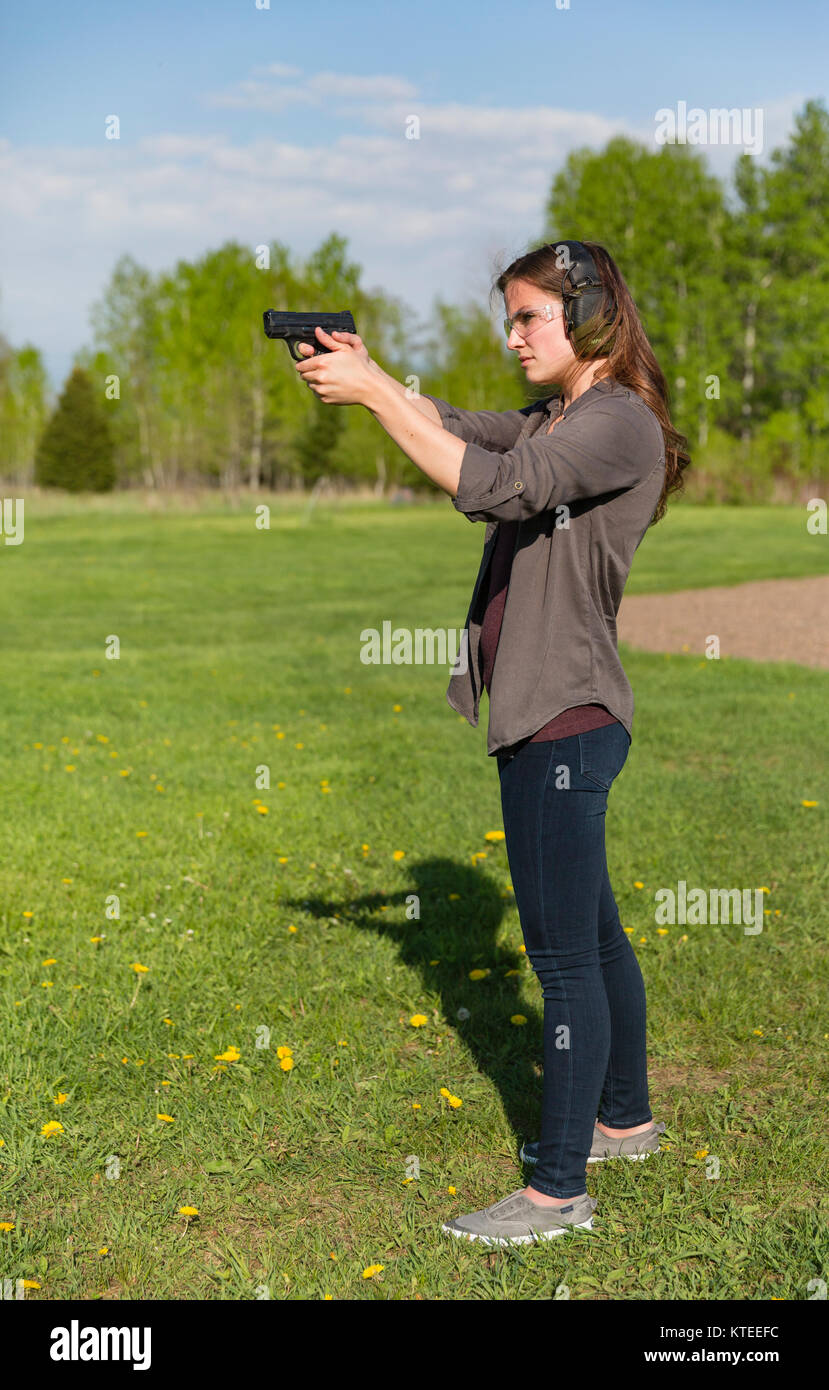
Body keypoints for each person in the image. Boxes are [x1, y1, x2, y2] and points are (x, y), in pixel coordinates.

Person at [294, 239, 690, 1246]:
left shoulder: (617, 425)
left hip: (562, 716)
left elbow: (494, 488)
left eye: (526, 318)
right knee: (594, 938)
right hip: (553, 713)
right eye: (506, 317)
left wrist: (376, 400)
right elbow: (460, 431)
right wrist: (373, 375)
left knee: (561, 961)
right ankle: (625, 1120)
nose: (510, 335)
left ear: (589, 316)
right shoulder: (561, 416)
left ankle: (557, 1191)